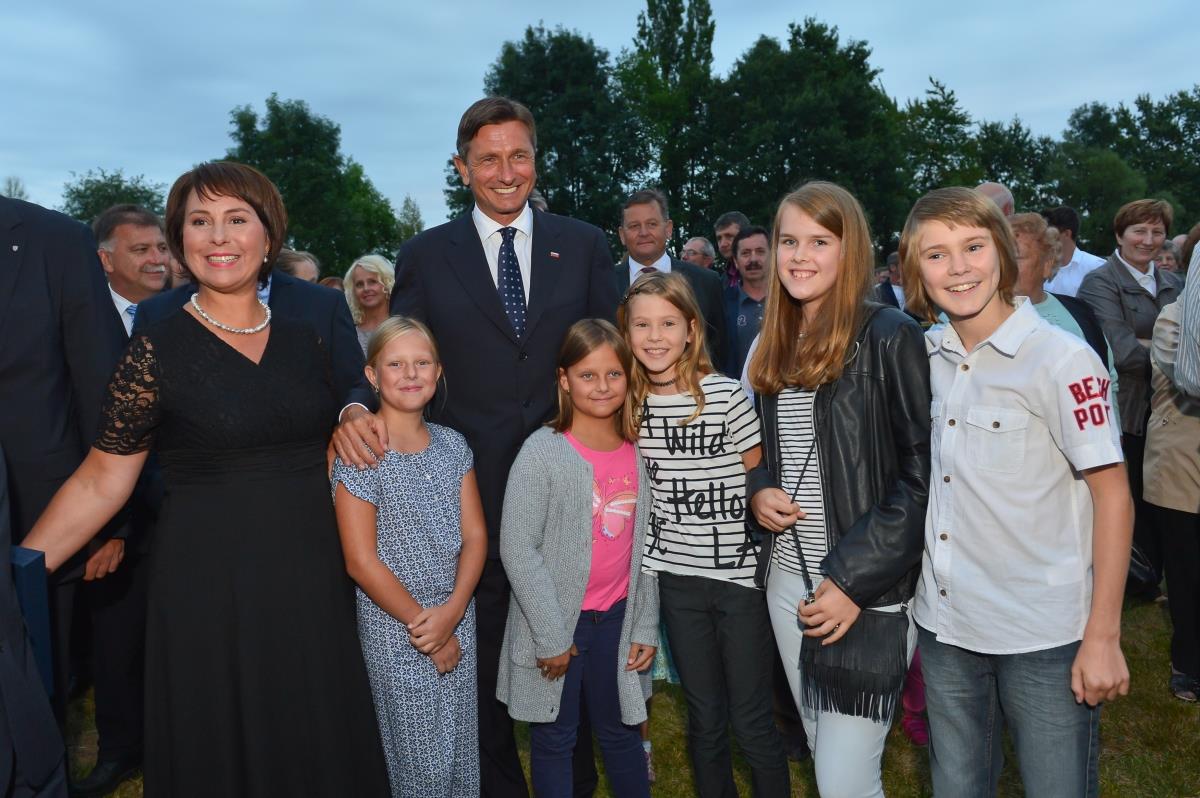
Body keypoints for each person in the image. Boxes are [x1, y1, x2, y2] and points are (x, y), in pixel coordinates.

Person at [21, 162, 390, 797]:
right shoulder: (154, 348)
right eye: (199, 221)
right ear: (181, 241)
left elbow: (360, 424)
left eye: (236, 219)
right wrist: (21, 572)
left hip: (310, 582)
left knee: (316, 742)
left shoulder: (307, 339)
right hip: (206, 588)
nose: (218, 236)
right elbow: (103, 477)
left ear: (268, 236)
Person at [334, 96, 619, 798]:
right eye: (488, 159)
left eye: (518, 155)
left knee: (572, 631)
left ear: (536, 160)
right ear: (462, 168)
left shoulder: (584, 244)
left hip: (570, 481)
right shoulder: (426, 254)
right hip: (470, 485)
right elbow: (396, 349)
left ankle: (575, 780)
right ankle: (496, 782)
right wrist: (352, 406)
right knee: (483, 639)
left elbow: (609, 356)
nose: (506, 171)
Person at [902, 186, 1133, 796]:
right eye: (936, 254)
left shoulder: (1061, 360)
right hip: (946, 625)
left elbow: (1113, 496)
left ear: (1003, 253)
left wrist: (1103, 636)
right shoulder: (925, 356)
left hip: (1043, 633)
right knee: (958, 785)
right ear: (915, 270)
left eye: (973, 247)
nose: (958, 268)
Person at [746, 181, 929, 798]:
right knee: (824, 749)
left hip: (865, 591)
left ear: (849, 251)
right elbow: (762, 451)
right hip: (786, 582)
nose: (800, 255)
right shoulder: (773, 340)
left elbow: (923, 477)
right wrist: (759, 489)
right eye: (788, 241)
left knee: (844, 779)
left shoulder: (890, 335)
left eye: (819, 241)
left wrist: (852, 583)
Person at [619, 272, 790, 797]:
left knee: (752, 718)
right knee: (705, 717)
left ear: (691, 330)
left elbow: (758, 473)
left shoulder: (726, 395)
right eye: (642, 325)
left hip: (739, 581)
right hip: (677, 583)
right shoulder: (629, 406)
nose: (655, 337)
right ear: (626, 332)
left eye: (668, 324)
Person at [498, 319, 658, 798]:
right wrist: (551, 635)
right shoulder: (541, 453)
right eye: (587, 375)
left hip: (618, 621)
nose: (602, 386)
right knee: (555, 738)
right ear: (564, 380)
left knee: (623, 732)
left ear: (628, 377)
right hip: (557, 625)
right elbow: (517, 547)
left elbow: (648, 548)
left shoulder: (640, 451)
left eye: (613, 374)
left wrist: (644, 624)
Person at [333, 317, 487, 797]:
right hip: (397, 628)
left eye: (422, 363)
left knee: (460, 752)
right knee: (420, 767)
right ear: (372, 376)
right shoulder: (361, 454)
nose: (411, 373)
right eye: (396, 364)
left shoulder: (453, 445)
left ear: (438, 372)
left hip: (457, 615)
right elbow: (361, 561)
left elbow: (475, 537)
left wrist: (453, 612)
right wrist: (429, 632)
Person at [0, 196, 126, 742]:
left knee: (30, 703)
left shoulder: (55, 240)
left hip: (39, 521)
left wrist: (109, 522)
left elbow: (104, 388)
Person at [72, 204, 170, 797]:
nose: (157, 259)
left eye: (161, 247)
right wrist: (107, 527)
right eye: (141, 250)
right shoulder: (79, 323)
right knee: (115, 641)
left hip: (184, 508)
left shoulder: (190, 310)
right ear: (105, 260)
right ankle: (119, 752)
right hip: (112, 516)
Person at [1078, 199, 1182, 595]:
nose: (1148, 240)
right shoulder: (1099, 283)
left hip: (1174, 410)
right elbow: (1121, 353)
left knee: (1168, 498)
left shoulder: (1177, 283)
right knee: (1132, 495)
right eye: (1139, 231)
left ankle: (1159, 575)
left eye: (1157, 232)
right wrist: (1177, 354)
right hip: (1128, 410)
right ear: (1120, 234)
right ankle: (1135, 579)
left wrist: (1150, 342)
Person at [1010, 212, 1121, 426]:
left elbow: (1108, 379)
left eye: (1016, 256)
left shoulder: (1079, 313)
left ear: (1047, 264)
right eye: (998, 255)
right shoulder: (966, 320)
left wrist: (1114, 435)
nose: (1004, 265)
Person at [1144, 300, 1200, 701]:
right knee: (1187, 572)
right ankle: (1189, 665)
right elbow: (1190, 378)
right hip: (1183, 463)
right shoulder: (1174, 318)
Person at [615, 188, 727, 372]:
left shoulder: (706, 282)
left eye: (652, 224)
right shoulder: (602, 283)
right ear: (622, 235)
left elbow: (719, 350)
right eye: (634, 226)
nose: (643, 232)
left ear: (668, 229)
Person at [724, 225, 769, 378]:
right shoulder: (722, 303)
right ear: (736, 262)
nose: (753, 259)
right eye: (746, 253)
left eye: (760, 251)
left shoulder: (792, 301)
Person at [1042, 205, 1107, 297]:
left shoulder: (1096, 267)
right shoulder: (1038, 267)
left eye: (1050, 233)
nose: (1044, 238)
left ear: (1067, 234)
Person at [345, 254, 396, 355]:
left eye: (372, 282)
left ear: (387, 283)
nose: (366, 288)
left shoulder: (403, 326)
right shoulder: (348, 331)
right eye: (359, 284)